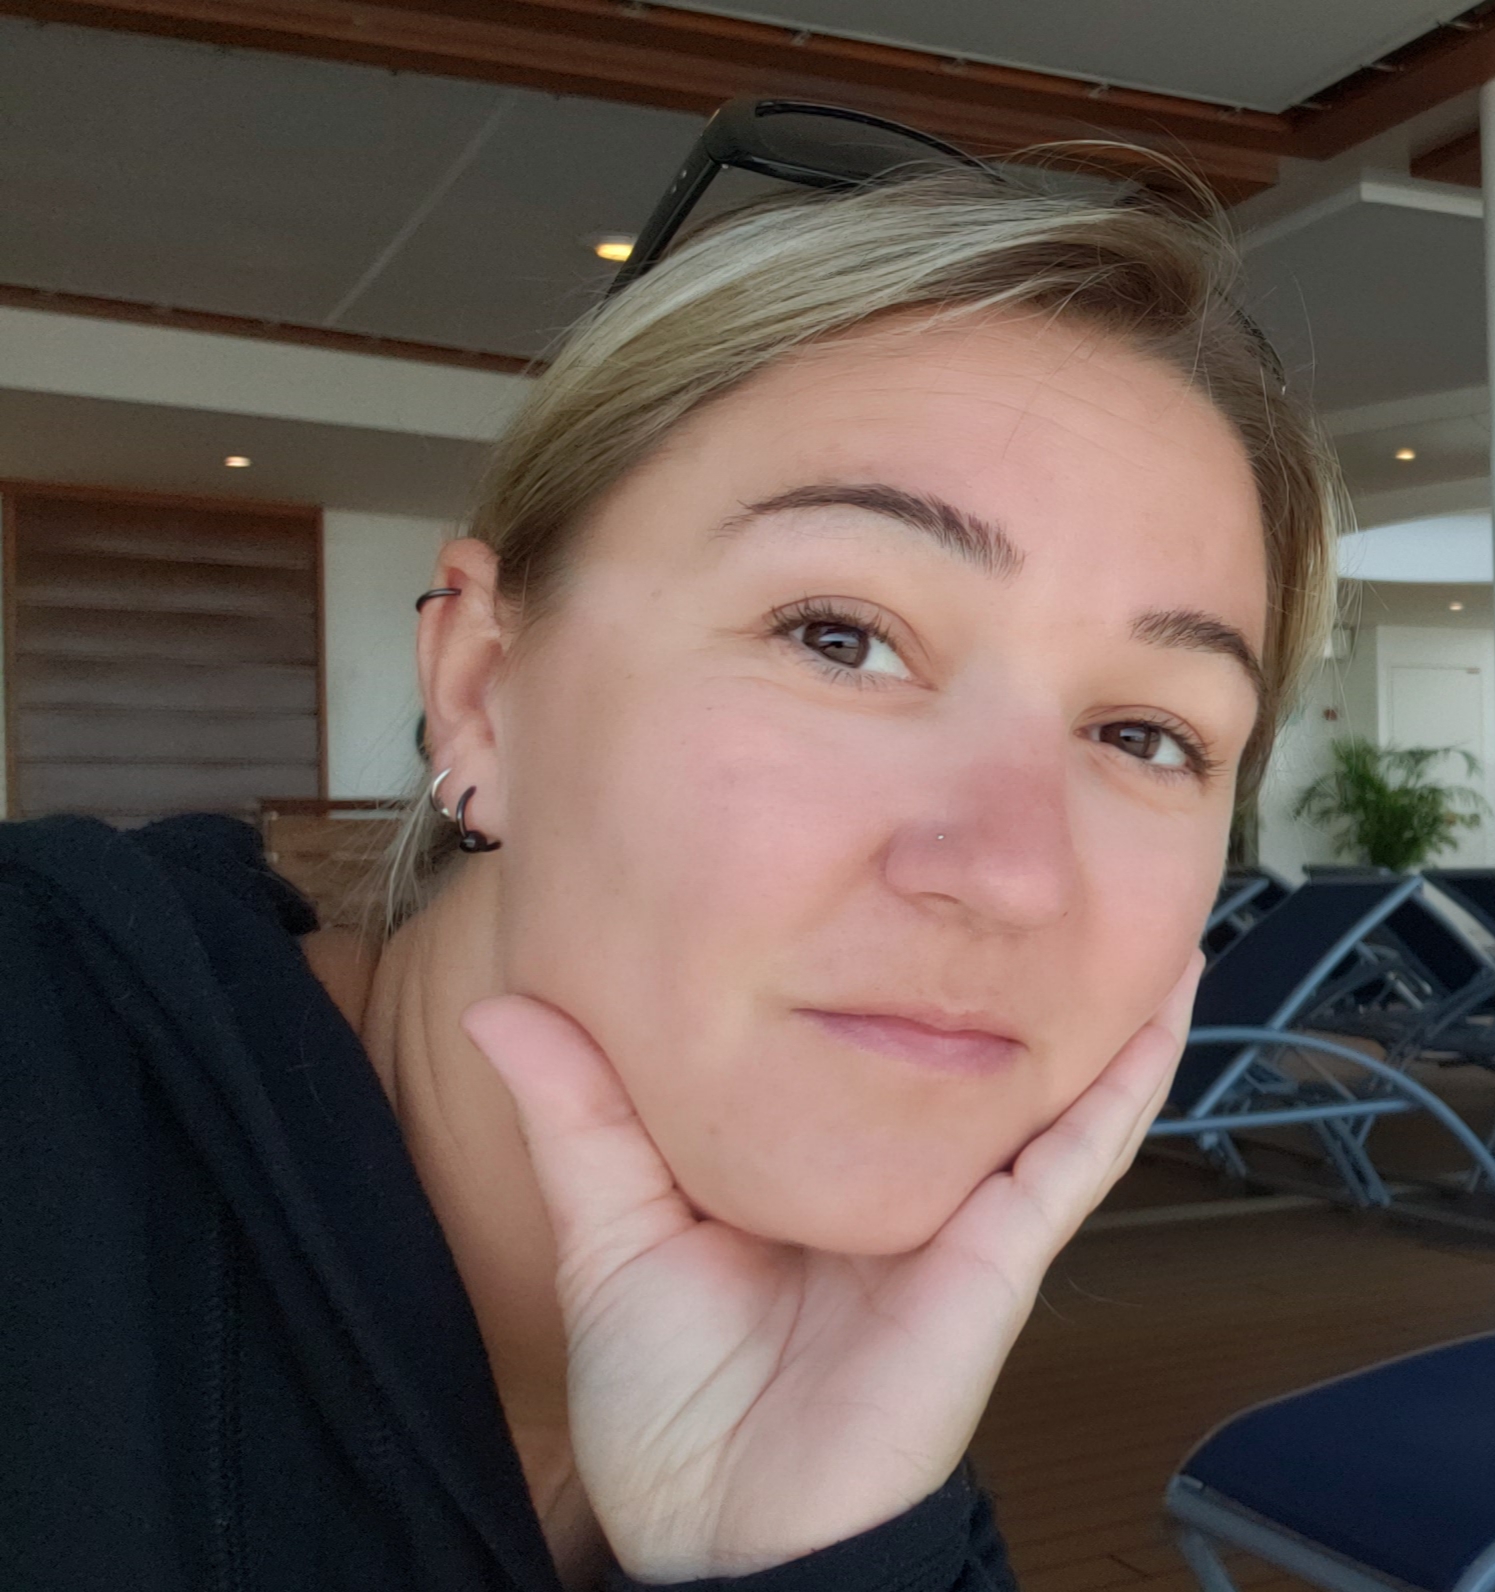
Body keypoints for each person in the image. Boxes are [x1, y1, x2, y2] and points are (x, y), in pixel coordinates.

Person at [0, 103, 1342, 1592]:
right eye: (839, 637)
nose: (1013, 874)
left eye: (1147, 734)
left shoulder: (877, 1451)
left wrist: (799, 1558)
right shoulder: (41, 1071)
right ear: (484, 691)